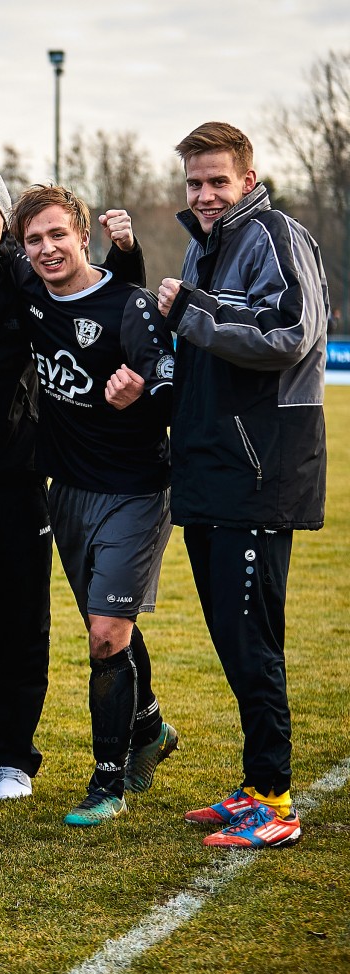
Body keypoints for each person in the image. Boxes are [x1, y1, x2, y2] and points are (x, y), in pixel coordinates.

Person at [0, 168, 149, 801]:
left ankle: (17, 756)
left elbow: (106, 303)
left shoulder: (22, 273)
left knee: (23, 622)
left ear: (5, 226)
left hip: (19, 476)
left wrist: (126, 253)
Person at [157, 122, 330, 849]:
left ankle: (278, 801)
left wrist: (194, 309)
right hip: (212, 470)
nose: (204, 194)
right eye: (195, 182)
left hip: (260, 470)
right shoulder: (211, 240)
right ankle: (257, 784)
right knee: (233, 635)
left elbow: (292, 329)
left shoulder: (275, 233)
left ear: (247, 178)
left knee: (254, 640)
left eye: (217, 181)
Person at [10, 184, 176, 826]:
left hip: (134, 490)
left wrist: (141, 393)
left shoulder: (131, 307)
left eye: (58, 234)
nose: (48, 248)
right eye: (34, 240)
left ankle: (107, 781)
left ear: (84, 235)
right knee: (109, 629)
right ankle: (151, 727)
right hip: (68, 492)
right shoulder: (28, 296)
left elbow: (173, 391)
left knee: (107, 634)